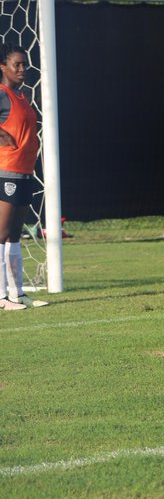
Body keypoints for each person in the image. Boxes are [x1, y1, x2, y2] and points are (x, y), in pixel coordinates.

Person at [0, 43, 48, 310]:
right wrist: (3, 135)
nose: (22, 69)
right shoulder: (2, 93)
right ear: (3, 66)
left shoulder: (20, 96)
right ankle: (0, 297)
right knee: (1, 233)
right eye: (17, 64)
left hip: (24, 171)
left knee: (15, 235)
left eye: (25, 64)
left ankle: (18, 294)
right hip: (5, 170)